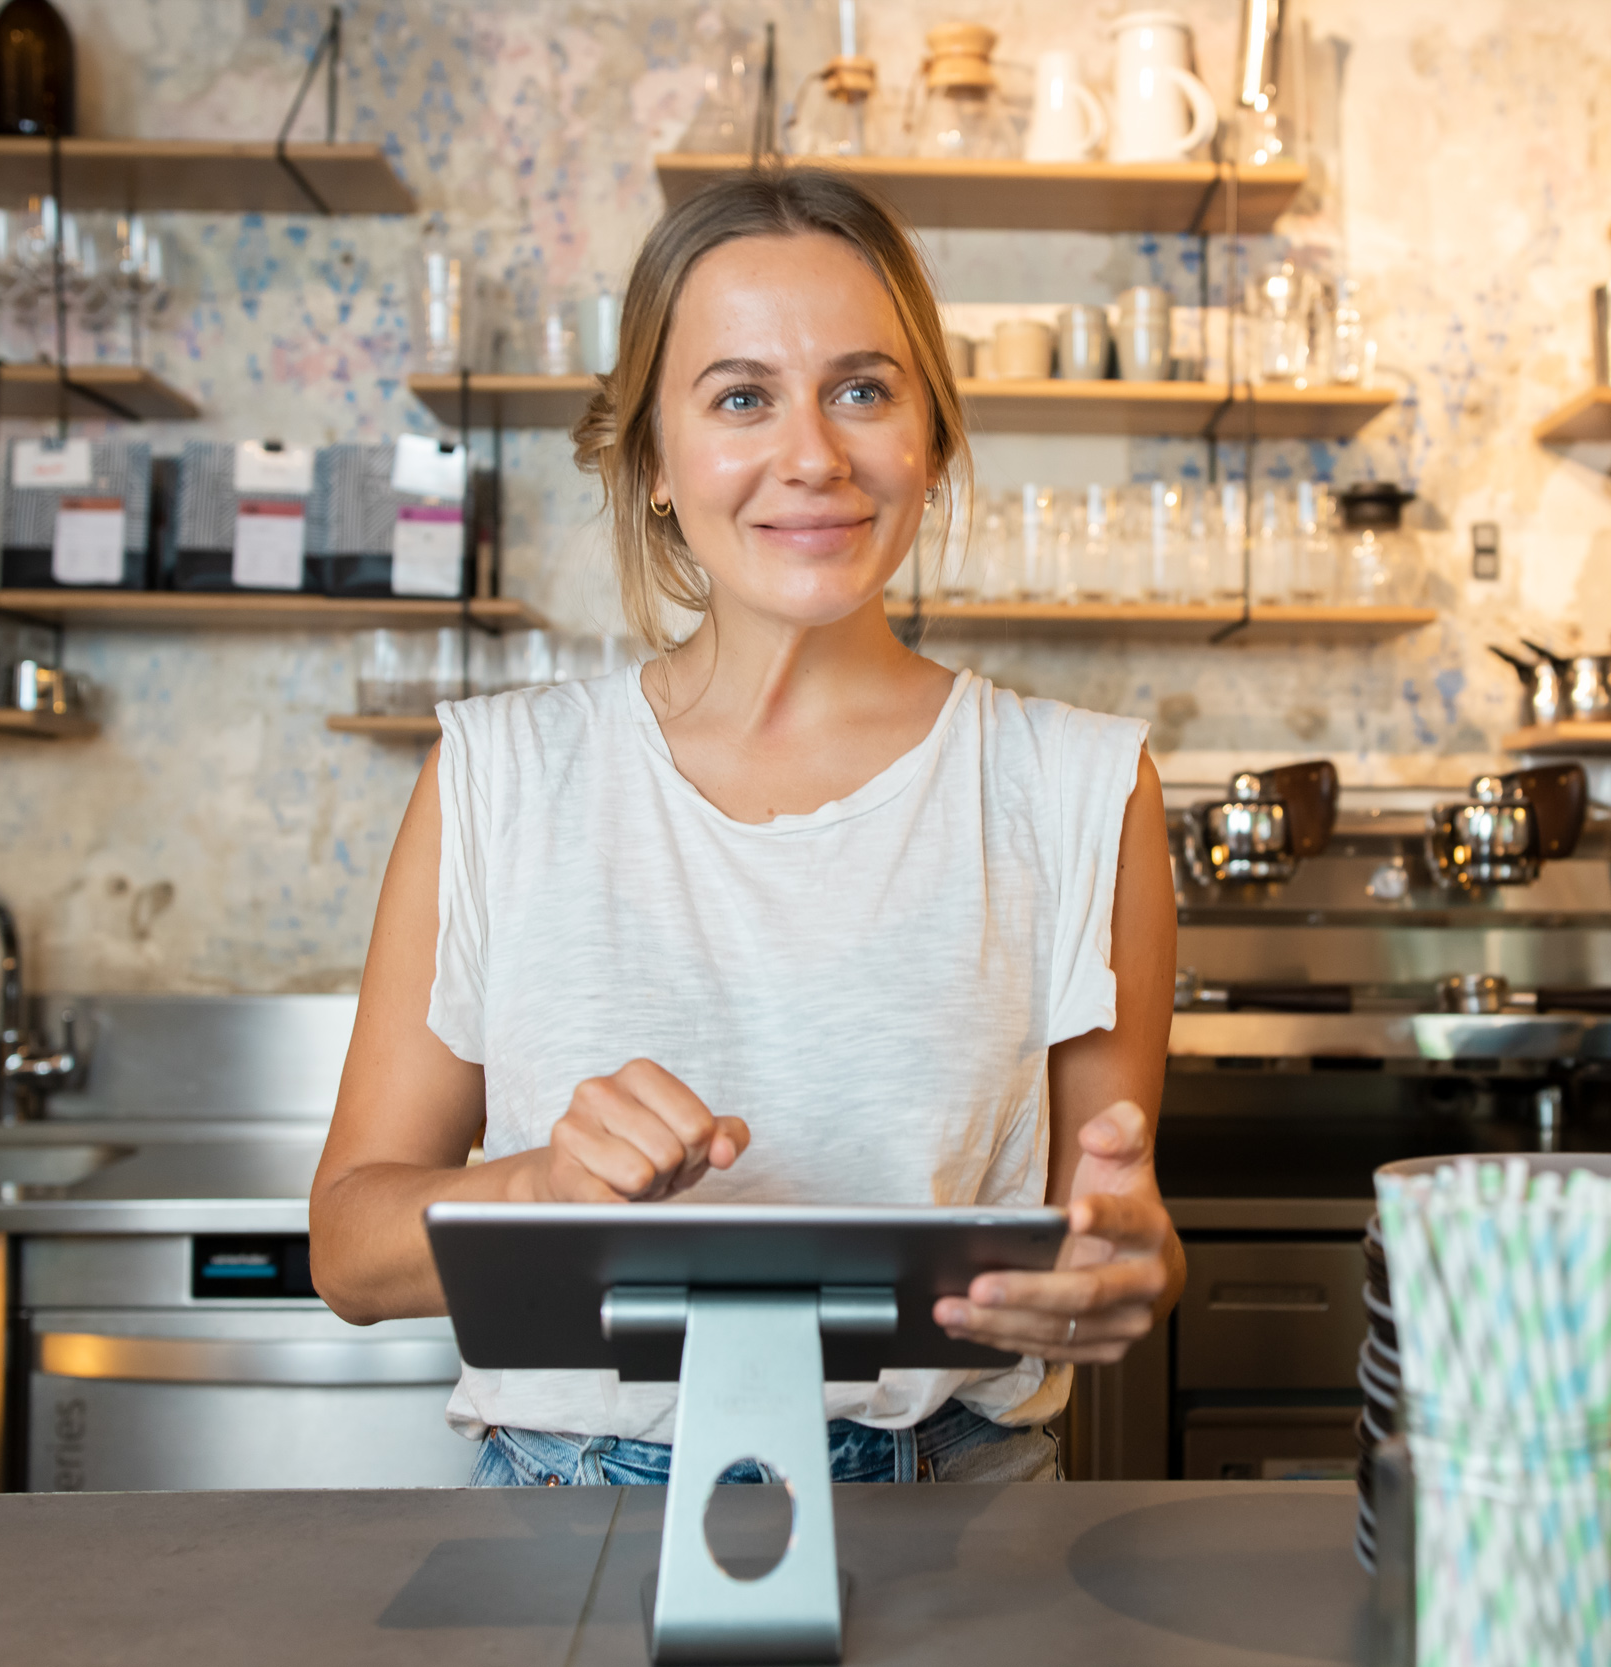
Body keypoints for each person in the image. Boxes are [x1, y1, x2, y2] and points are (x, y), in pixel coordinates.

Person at [309, 167, 1182, 1488]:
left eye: (863, 390)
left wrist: (1126, 1267)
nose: (814, 455)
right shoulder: (497, 776)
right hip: (566, 1514)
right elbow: (349, 1250)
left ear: (933, 441)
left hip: (959, 1513)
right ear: (656, 461)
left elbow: (1106, 1233)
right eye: (740, 397)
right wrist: (540, 1190)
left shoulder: (1084, 789)